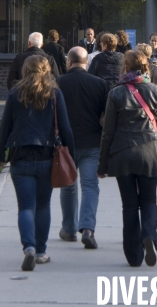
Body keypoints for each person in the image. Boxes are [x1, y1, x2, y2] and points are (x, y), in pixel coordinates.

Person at [97, 50, 157, 267]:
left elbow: (108, 133)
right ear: (146, 68)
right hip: (150, 152)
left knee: (130, 205)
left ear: (125, 67)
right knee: (149, 199)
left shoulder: (115, 94)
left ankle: (133, 255)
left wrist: (102, 164)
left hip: (122, 154)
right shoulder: (156, 91)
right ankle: (149, 234)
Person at [0, 55, 75, 271]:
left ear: (25, 70)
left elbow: (5, 127)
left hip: (20, 157)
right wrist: (72, 156)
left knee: (25, 207)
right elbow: (65, 129)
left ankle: (28, 247)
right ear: (47, 70)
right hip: (47, 156)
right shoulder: (55, 94)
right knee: (43, 206)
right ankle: (40, 251)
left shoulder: (15, 93)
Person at [57, 47, 109, 249]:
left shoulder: (58, 83)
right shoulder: (100, 84)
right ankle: (87, 228)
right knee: (90, 187)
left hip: (66, 143)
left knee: (68, 187)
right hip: (92, 141)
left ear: (68, 62)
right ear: (86, 63)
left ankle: (69, 229)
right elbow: (106, 116)